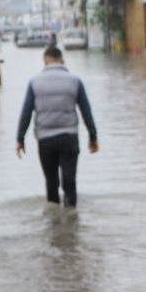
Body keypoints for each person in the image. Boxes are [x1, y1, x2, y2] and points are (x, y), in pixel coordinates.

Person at [15, 46, 99, 208]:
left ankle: (54, 223)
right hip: (69, 137)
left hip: (45, 140)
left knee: (51, 182)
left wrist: (20, 139)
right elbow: (86, 111)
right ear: (62, 60)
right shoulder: (75, 81)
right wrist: (93, 137)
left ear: (45, 60)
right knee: (70, 181)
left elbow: (26, 113)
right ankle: (71, 219)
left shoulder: (34, 82)